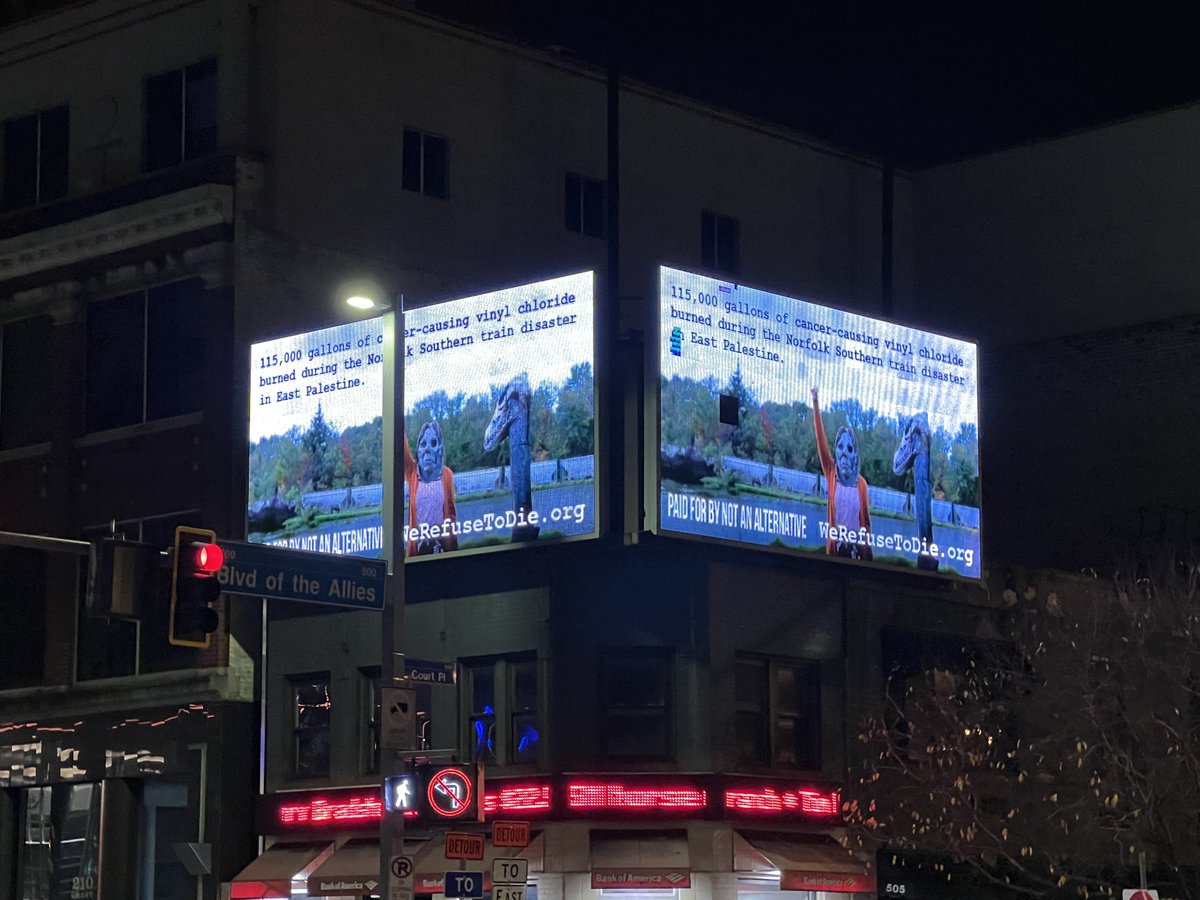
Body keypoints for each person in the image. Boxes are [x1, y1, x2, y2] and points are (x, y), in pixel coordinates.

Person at [810, 386, 873, 560]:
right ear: (836, 451)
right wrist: (815, 402)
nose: (844, 452)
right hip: (836, 555)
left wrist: (868, 558)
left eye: (849, 448)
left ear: (855, 456)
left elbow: (866, 525)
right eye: (840, 447)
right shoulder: (831, 474)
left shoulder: (861, 485)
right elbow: (820, 441)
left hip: (857, 557)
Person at [404, 419, 459, 556]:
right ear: (418, 450)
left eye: (433, 443)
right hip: (419, 550)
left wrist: (453, 549)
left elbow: (451, 513)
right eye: (423, 444)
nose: (428, 449)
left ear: (440, 449)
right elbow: (400, 446)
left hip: (442, 549)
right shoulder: (412, 473)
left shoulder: (447, 474)